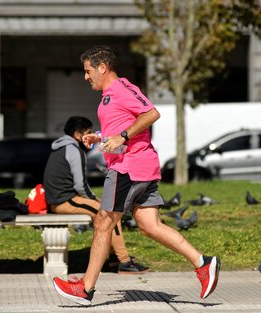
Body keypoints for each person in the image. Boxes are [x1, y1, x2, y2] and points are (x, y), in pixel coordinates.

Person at [52, 46, 220, 305]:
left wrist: (123, 136)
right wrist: (102, 137)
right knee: (150, 226)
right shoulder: (111, 94)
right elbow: (123, 127)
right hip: (139, 166)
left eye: (88, 71)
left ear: (102, 67)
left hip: (127, 168)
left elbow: (151, 113)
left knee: (103, 222)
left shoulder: (121, 89)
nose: (86, 77)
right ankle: (203, 263)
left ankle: (85, 288)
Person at [43, 115, 149, 273]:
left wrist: (95, 199)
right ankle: (124, 261)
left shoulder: (60, 147)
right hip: (64, 201)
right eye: (88, 132)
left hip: (61, 200)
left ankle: (114, 259)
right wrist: (94, 198)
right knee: (109, 213)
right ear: (78, 135)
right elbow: (80, 185)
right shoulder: (74, 150)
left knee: (109, 210)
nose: (91, 135)